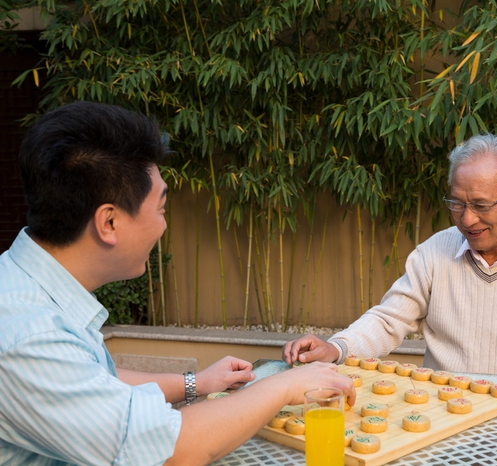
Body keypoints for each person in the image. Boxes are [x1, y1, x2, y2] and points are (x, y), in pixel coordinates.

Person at [0, 101, 355, 465]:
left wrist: (197, 383)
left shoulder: (27, 291)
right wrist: (285, 385)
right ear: (109, 223)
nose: (164, 225)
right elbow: (171, 451)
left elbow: (89, 381)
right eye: (161, 208)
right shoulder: (27, 335)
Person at [283, 133, 497, 391]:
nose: (467, 220)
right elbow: (388, 320)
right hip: (444, 413)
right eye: (456, 203)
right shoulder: (435, 252)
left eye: (481, 205)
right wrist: (336, 347)